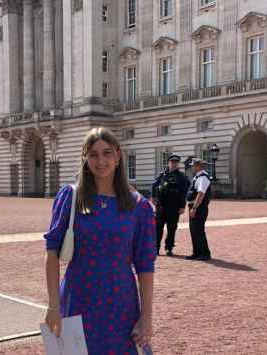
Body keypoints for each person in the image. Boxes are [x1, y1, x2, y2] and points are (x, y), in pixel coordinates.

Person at [43, 127, 156, 354]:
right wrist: (53, 305)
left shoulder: (138, 205)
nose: (101, 160)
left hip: (121, 302)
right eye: (93, 154)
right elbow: (52, 251)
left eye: (106, 152)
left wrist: (147, 316)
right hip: (78, 298)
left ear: (118, 155)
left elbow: (145, 265)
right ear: (85, 158)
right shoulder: (70, 197)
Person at [149, 155, 189, 256]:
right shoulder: (162, 175)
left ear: (178, 164)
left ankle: (169, 248)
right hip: (161, 206)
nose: (174, 164)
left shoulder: (181, 176)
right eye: (172, 162)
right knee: (158, 228)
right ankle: (156, 248)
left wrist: (182, 206)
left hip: (174, 207)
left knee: (171, 229)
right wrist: (152, 196)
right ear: (169, 163)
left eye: (176, 162)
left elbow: (184, 192)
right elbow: (153, 185)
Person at [186, 158, 212, 261]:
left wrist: (194, 208)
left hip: (199, 208)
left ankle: (205, 253)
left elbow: (201, 194)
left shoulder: (203, 178)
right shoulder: (198, 177)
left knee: (198, 231)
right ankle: (196, 252)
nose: (192, 167)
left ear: (198, 166)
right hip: (195, 207)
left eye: (193, 165)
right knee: (193, 230)